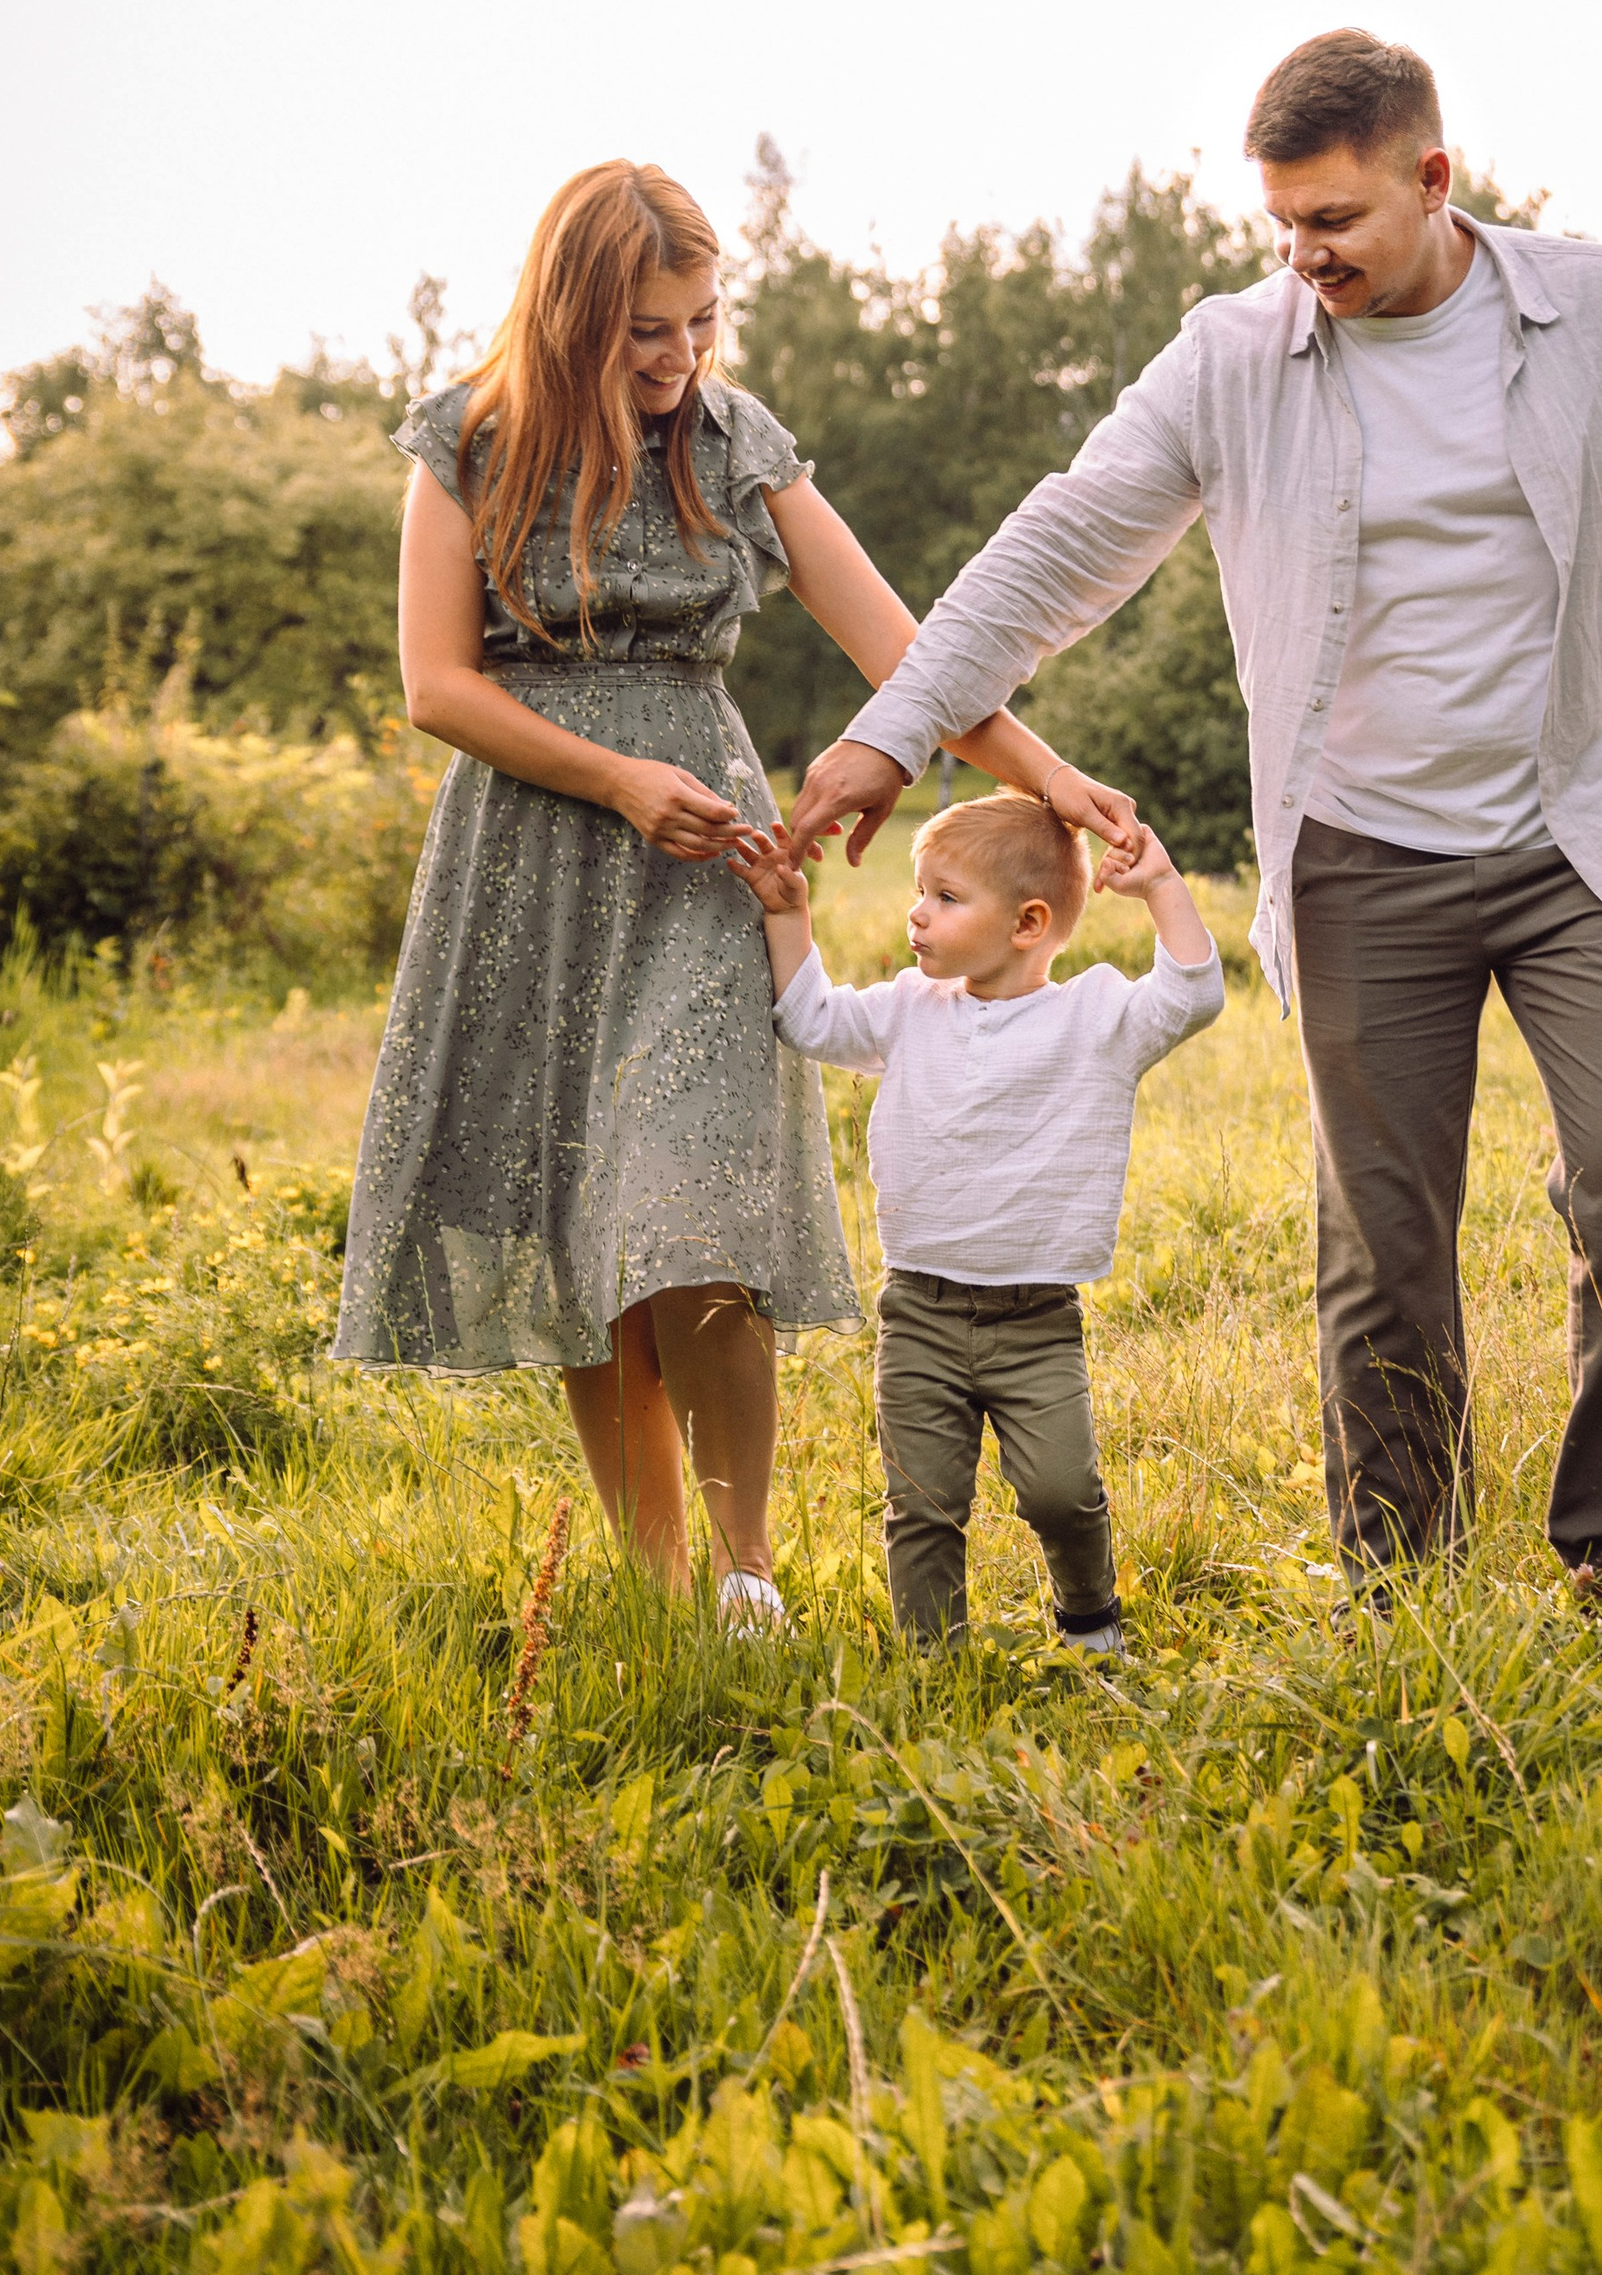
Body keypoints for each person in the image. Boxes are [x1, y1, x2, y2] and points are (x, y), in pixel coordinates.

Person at [787, 31, 1602, 1610]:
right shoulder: (1233, 356)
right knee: (1385, 1240)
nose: (1306, 255)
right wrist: (894, 728)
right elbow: (1056, 549)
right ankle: (1399, 1574)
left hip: (1580, 834)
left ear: (1435, 178)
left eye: (1337, 219)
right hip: (1362, 850)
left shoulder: (1596, 312)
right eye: (1284, 223)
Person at [332, 160, 1137, 1628]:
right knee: (586, 1217)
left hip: (710, 864)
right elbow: (437, 685)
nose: (679, 355)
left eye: (700, 321)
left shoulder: (733, 440)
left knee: (695, 1200)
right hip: (534, 863)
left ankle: (744, 1574)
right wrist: (614, 780)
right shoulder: (469, 442)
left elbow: (910, 655)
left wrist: (1053, 775)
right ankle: (656, 1590)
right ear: (569, 317)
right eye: (645, 330)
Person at [738, 792, 1223, 1647]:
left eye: (946, 896)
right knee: (922, 1501)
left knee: (1060, 1491)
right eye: (920, 892)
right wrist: (787, 912)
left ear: (1029, 922)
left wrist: (1159, 886)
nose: (917, 913)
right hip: (919, 1313)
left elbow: (1192, 994)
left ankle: (1089, 1617)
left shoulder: (1094, 1017)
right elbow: (810, 1018)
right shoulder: (908, 1007)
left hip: (1036, 1321)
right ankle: (932, 1658)